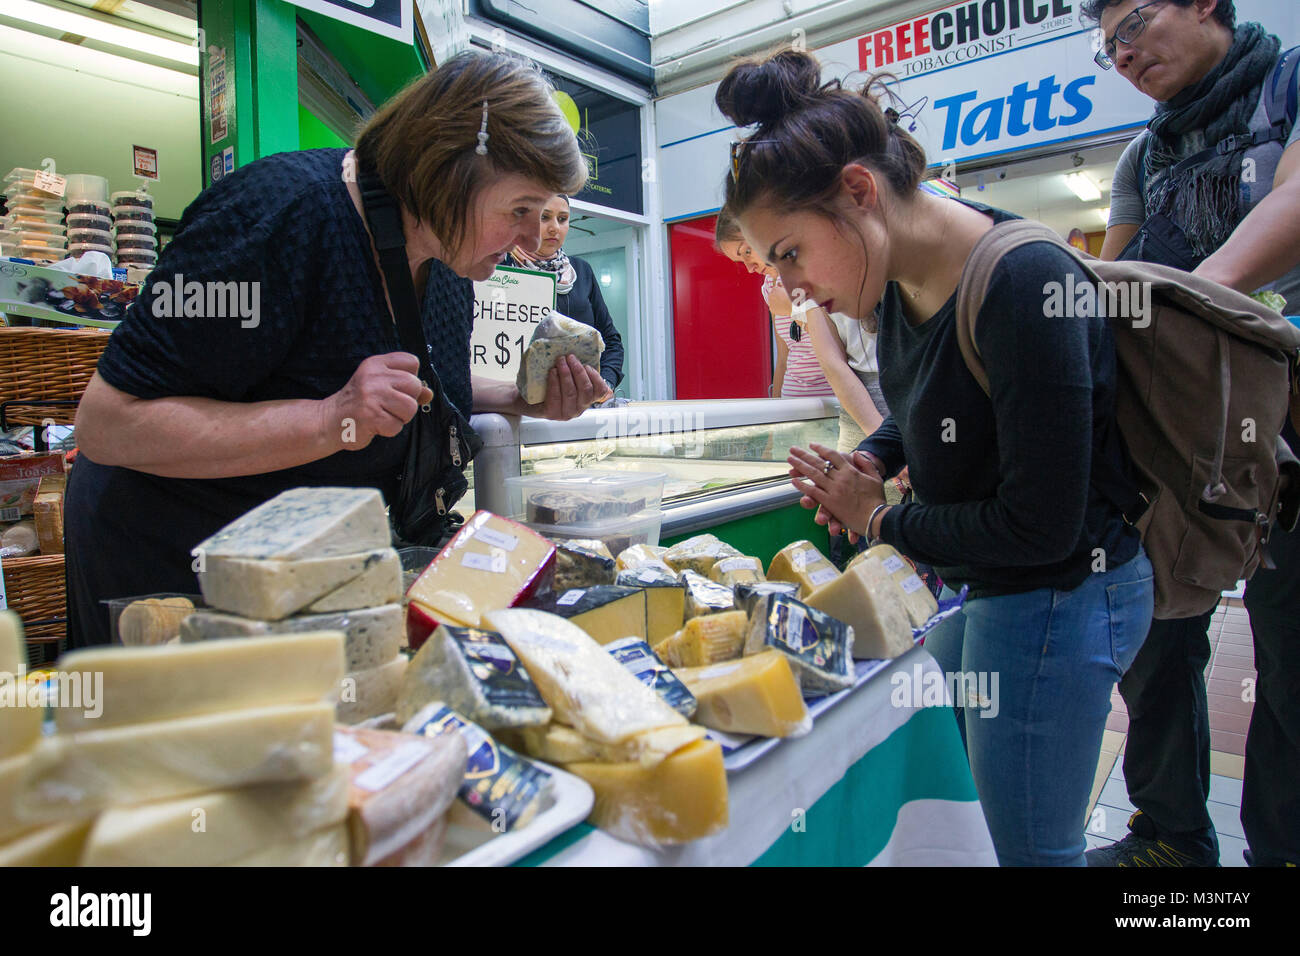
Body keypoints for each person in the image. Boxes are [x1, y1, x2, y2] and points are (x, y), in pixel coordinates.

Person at [717, 47, 1155, 865]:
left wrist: (879, 519)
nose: (790, 285)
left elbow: (1042, 528)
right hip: (998, 594)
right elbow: (922, 411)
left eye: (789, 254)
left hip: (1061, 593)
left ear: (857, 191)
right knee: (920, 726)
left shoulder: (1026, 283)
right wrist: (877, 458)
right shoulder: (899, 283)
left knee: (1030, 847)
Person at [66, 51, 610, 648]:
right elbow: (106, 425)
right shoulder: (272, 218)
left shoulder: (449, 260)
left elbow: (417, 385)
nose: (533, 241)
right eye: (520, 210)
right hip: (177, 572)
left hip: (314, 580)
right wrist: (329, 419)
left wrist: (520, 398)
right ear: (447, 175)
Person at [1083, 0, 1300, 867]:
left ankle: (1279, 851)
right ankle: (1172, 835)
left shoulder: (1286, 87)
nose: (1124, 54)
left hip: (1284, 416)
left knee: (1288, 647)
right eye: (1108, 51)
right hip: (1178, 428)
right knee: (1157, 635)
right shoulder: (1147, 153)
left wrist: (1195, 299)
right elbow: (1115, 279)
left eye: (1132, 25)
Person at [508, 194, 625, 396]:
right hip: (515, 402)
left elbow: (611, 341)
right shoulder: (502, 267)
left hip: (579, 403)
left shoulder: (582, 271)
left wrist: (605, 382)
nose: (554, 228)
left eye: (562, 219)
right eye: (545, 217)